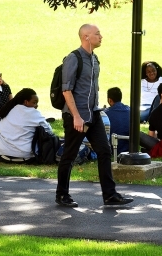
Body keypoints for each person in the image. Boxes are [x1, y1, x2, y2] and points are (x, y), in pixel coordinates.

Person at [56, 24, 132, 207]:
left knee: (104, 151)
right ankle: (62, 194)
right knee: (70, 155)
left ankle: (110, 195)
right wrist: (76, 116)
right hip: (77, 116)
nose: (101, 36)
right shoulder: (74, 59)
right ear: (86, 37)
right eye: (97, 34)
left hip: (93, 113)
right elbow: (67, 90)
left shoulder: (95, 59)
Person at [0, 88, 52, 163]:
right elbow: (49, 131)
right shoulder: (32, 112)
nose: (36, 106)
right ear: (26, 102)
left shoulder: (7, 110)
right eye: (34, 102)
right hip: (26, 156)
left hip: (2, 155)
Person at [104, 87, 131, 154]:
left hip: (112, 148)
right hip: (129, 147)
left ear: (110, 100)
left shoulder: (105, 113)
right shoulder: (130, 111)